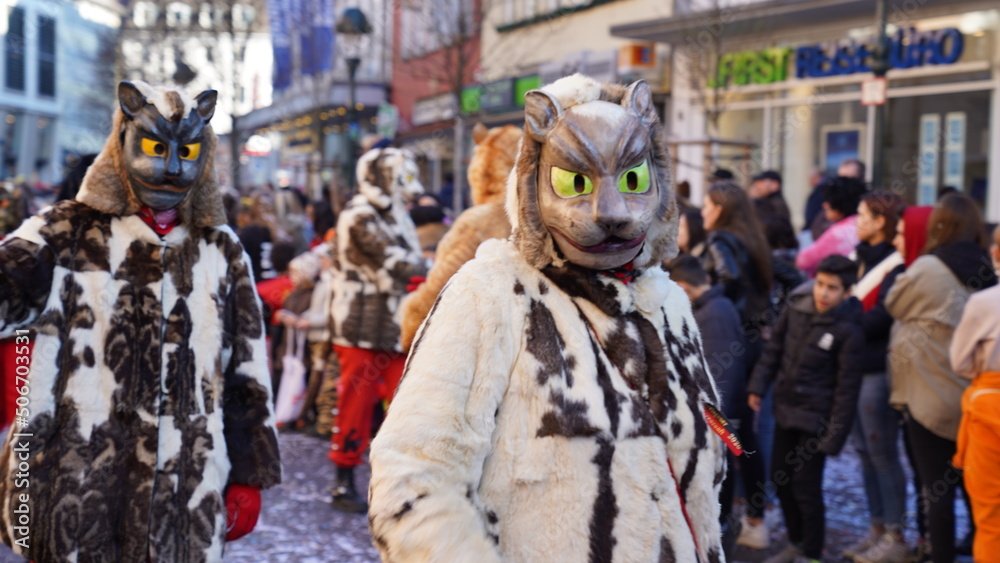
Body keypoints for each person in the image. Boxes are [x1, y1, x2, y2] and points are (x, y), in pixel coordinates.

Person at [368, 75, 726, 562]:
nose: (613, 211)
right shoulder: (491, 293)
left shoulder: (666, 302)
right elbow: (414, 474)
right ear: (534, 180)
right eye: (575, 183)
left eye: (634, 181)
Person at [0, 81, 280, 559]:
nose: (172, 169)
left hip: (183, 496)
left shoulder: (221, 249)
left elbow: (247, 372)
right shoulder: (65, 232)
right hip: (74, 490)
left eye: (188, 152)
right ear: (122, 142)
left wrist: (249, 474)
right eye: (155, 148)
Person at [886, 193, 997, 563]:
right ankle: (978, 546)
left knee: (935, 487)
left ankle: (941, 555)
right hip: (973, 396)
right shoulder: (986, 268)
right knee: (976, 484)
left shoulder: (929, 267)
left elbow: (893, 302)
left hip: (930, 394)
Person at [328, 147, 429, 513]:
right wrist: (435, 265)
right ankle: (342, 482)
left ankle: (392, 480)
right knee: (355, 403)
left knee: (402, 404)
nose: (410, 187)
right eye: (400, 177)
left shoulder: (395, 213)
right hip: (359, 328)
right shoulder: (359, 215)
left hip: (393, 328)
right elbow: (398, 263)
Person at [748, 254, 863, 563]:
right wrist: (759, 385)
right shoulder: (796, 308)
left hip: (818, 420)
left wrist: (834, 436)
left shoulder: (849, 330)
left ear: (847, 292)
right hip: (787, 410)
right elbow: (774, 350)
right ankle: (796, 542)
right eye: (821, 285)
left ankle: (811, 553)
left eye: (833, 288)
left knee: (806, 488)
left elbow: (846, 390)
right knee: (781, 480)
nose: (823, 293)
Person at [666, 254, 763, 560]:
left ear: (682, 287)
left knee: (722, 478)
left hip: (720, 414)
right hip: (721, 412)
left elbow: (722, 373)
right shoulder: (714, 307)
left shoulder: (714, 313)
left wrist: (717, 417)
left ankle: (720, 536)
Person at [400, 123, 520, 352]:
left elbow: (441, 285)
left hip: (474, 342)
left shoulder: (480, 220)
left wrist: (411, 326)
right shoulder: (535, 221)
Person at [844, 191, 911, 563]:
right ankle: (876, 529)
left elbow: (882, 316)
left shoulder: (896, 265)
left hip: (876, 367)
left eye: (862, 214)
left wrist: (843, 328)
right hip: (854, 364)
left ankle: (896, 535)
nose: (857, 220)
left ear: (880, 220)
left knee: (882, 453)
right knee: (865, 455)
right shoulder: (859, 257)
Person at [950, 255, 1000, 562]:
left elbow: (960, 362)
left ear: (996, 255)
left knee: (990, 516)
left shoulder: (984, 303)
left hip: (989, 405)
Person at [796, 176, 867, 277]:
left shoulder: (839, 232)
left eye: (829, 201)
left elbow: (803, 261)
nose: (824, 205)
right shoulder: (859, 223)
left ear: (840, 204)